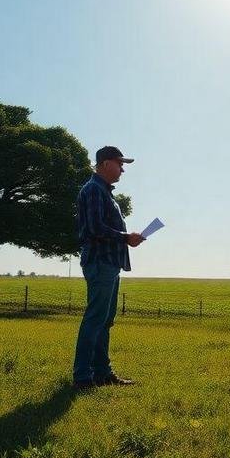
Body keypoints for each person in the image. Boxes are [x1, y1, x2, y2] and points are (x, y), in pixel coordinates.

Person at [72, 145, 144, 390]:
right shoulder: (93, 190)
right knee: (95, 319)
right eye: (120, 163)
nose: (123, 170)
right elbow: (94, 228)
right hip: (100, 262)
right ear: (104, 164)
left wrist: (126, 239)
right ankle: (83, 377)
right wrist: (126, 237)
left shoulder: (103, 192)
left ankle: (102, 373)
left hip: (109, 263)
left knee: (104, 320)